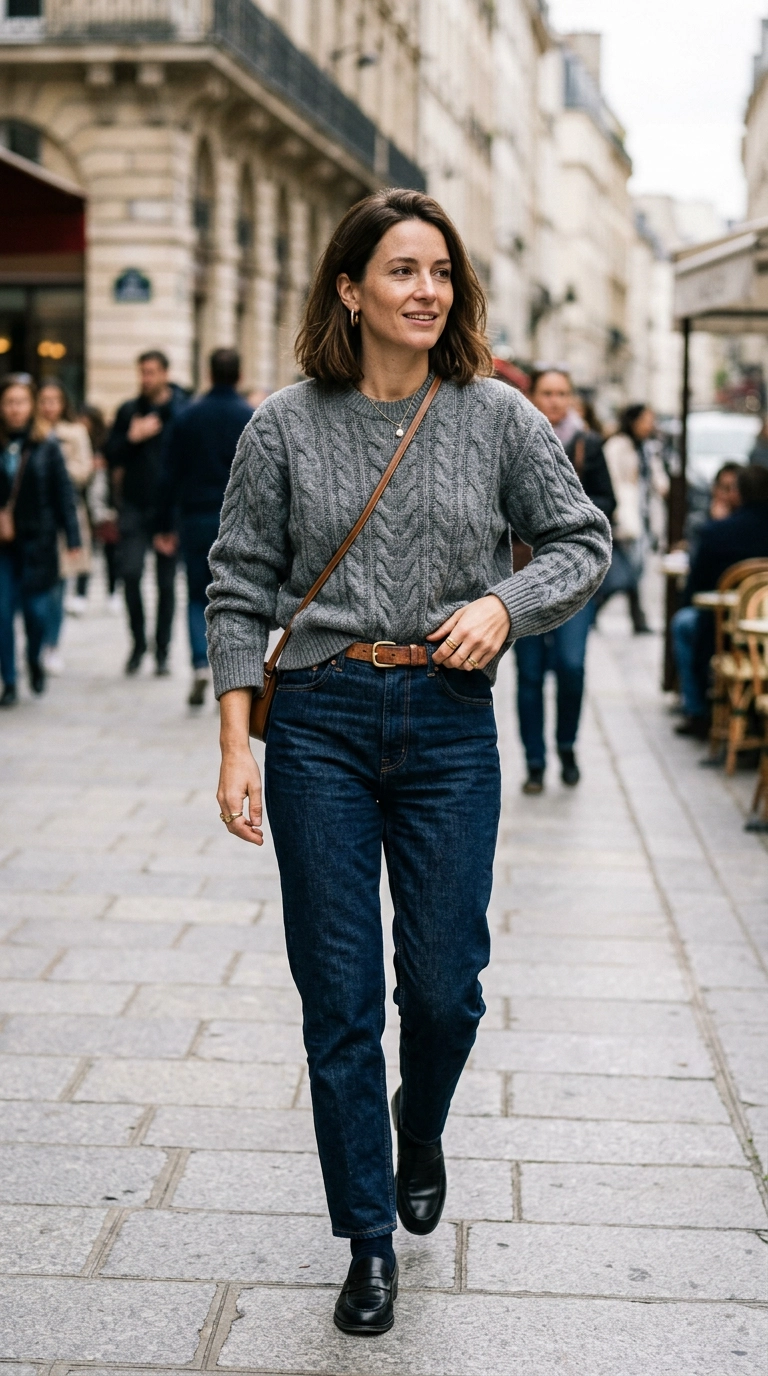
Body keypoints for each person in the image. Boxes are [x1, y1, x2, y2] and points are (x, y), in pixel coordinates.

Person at [206, 189, 611, 1336]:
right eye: (400, 270)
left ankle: (418, 1121)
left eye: (440, 270)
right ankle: (368, 1235)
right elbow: (238, 581)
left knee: (443, 989)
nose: (426, 288)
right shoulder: (282, 423)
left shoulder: (497, 417)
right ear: (350, 287)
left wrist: (503, 601)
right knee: (337, 1002)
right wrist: (236, 742)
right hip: (321, 724)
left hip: (446, 722)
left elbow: (584, 539)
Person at [512, 368, 616, 793]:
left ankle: (567, 746)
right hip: (523, 576)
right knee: (530, 673)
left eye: (562, 393)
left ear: (571, 397)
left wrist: (566, 512)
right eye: (547, 393)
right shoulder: (515, 437)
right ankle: (535, 762)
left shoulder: (587, 444)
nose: (554, 401)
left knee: (572, 667)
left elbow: (609, 500)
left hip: (576, 576)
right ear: (533, 395)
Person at [154, 348, 252, 707]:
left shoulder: (187, 416)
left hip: (194, 517)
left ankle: (199, 661)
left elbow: (168, 475)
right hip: (238, 521)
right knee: (233, 599)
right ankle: (231, 676)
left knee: (197, 594)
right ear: (239, 376)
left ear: (209, 374)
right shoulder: (250, 416)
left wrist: (163, 524)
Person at [105, 350, 188, 675]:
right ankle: (138, 643)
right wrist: (131, 437)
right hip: (134, 508)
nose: (146, 379)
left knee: (166, 585)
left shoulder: (180, 411)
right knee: (130, 575)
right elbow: (111, 454)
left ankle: (162, 650)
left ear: (165, 373)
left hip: (168, 511)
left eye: (151, 372)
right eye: (142, 372)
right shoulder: (129, 411)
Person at [0, 374, 80, 706]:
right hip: (2, 547)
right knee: (2, 614)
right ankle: (10, 680)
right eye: (8, 402)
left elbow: (63, 493)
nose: (15, 409)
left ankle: (34, 658)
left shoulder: (46, 445)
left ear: (30, 406)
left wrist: (72, 536)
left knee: (35, 614)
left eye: (20, 402)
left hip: (38, 543)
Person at [672, 464, 768, 738]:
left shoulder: (719, 532)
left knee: (683, 623)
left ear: (740, 493)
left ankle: (697, 710)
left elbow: (696, 586)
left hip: (724, 626)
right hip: (763, 627)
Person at [35, 380, 94, 674]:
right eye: (43, 400)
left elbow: (84, 471)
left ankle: (52, 645)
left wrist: (54, 464)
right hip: (32, 518)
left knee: (58, 585)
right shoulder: (28, 434)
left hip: (64, 514)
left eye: (53, 400)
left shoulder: (74, 433)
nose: (48, 406)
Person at [599, 403, 669, 633]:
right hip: (625, 517)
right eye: (646, 420)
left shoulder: (648, 447)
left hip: (644, 516)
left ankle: (635, 617)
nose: (651, 425)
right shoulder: (617, 446)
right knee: (627, 569)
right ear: (633, 421)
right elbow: (613, 481)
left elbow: (657, 481)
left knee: (635, 568)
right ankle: (599, 607)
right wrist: (616, 514)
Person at [80, 405, 121, 614]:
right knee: (84, 547)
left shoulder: (106, 443)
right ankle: (80, 593)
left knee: (110, 550)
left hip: (106, 502)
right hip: (86, 503)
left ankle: (113, 591)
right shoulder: (79, 441)